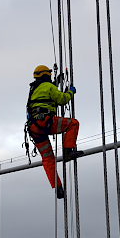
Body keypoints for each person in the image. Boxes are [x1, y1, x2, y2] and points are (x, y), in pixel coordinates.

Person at [26, 65, 83, 199]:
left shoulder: (34, 90)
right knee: (73, 124)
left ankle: (58, 187)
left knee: (48, 159)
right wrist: (71, 92)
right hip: (45, 122)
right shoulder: (49, 87)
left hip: (34, 129)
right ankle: (68, 151)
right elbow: (62, 100)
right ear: (46, 75)